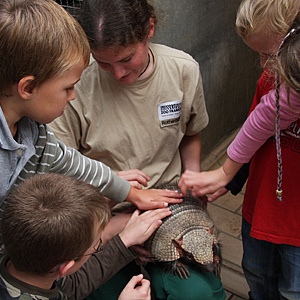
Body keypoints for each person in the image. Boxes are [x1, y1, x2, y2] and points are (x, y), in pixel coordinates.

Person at [50, 0, 226, 299]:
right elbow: (62, 176)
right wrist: (110, 196)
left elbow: (191, 133)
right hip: (101, 217)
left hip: (169, 207)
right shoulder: (72, 85)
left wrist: (193, 178)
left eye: (127, 58)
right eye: (103, 63)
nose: (117, 74)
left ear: (150, 30)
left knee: (197, 293)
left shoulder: (183, 70)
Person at [0, 0, 183, 230]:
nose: (73, 96)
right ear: (27, 88)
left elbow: (78, 165)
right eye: (67, 88)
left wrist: (132, 194)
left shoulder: (35, 132)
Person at [179, 1, 300, 299]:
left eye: (269, 55)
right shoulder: (270, 78)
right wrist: (229, 179)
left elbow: (273, 109)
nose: (262, 64)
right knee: (257, 272)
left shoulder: (288, 89)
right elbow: (254, 133)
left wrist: (223, 172)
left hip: (295, 223)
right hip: (261, 208)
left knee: (293, 290)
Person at [0, 173, 173, 299]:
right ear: (65, 268)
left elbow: (69, 288)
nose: (100, 242)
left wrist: (123, 239)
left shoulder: (22, 258)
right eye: (97, 245)